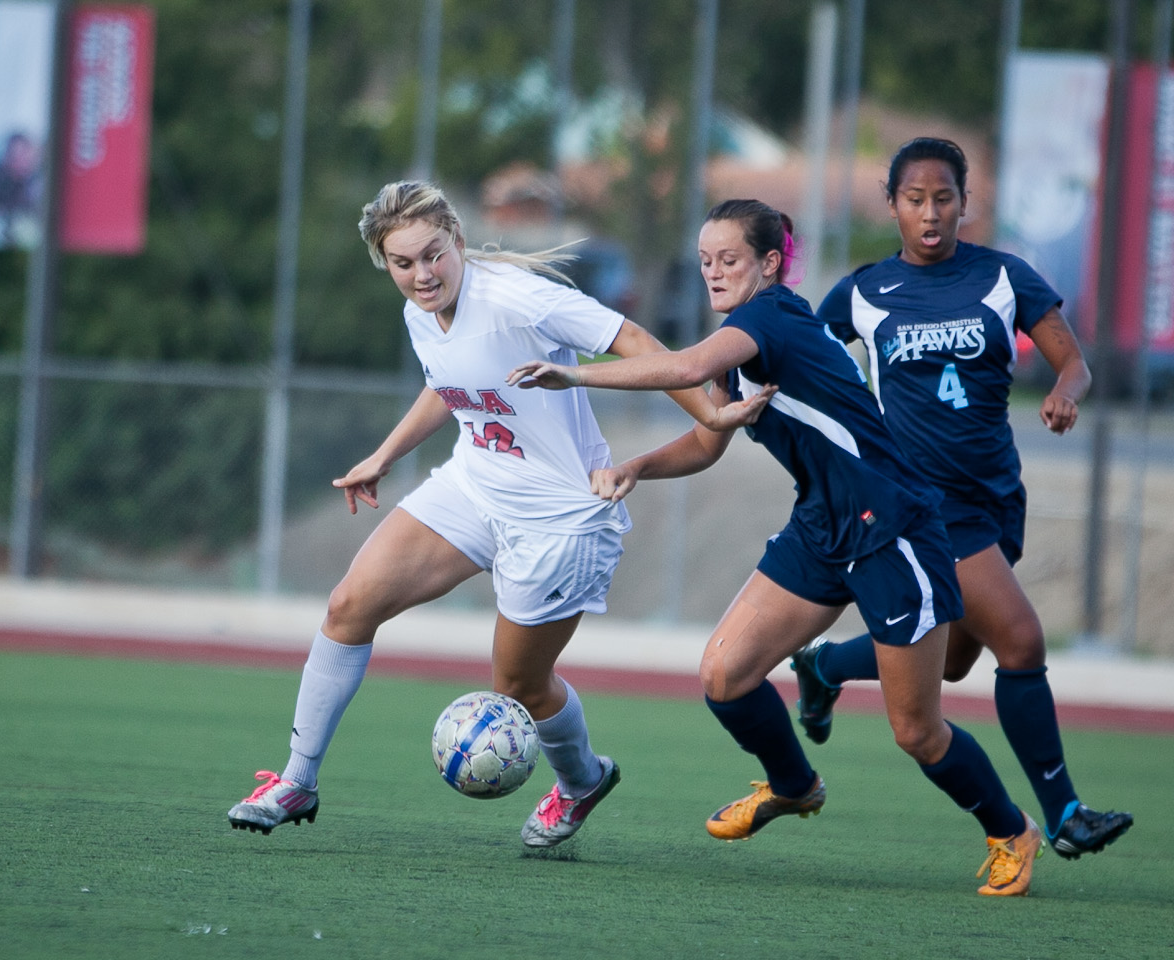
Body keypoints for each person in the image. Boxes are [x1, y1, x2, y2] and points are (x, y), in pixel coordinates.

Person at [508, 198, 1045, 896]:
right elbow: (708, 438)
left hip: (893, 527)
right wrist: (638, 465)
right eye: (704, 261)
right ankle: (794, 785)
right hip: (823, 523)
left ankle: (1011, 829)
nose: (713, 272)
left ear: (768, 264)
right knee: (725, 675)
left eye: (728, 259)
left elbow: (682, 368)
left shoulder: (771, 315)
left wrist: (576, 371)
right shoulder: (739, 344)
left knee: (916, 731)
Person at [227, 180, 769, 848]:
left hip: (563, 519)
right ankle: (296, 780)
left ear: (456, 241)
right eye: (404, 263)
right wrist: (386, 454)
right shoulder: (420, 312)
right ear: (385, 264)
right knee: (347, 607)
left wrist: (710, 413)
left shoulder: (517, 298)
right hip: (476, 488)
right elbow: (448, 381)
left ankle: (582, 781)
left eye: (433, 255)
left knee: (519, 682)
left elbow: (625, 335)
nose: (422, 274)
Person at [788, 137, 1133, 859]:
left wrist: (1066, 394)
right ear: (893, 206)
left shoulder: (1005, 278)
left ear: (965, 202)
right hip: (921, 505)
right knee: (1022, 639)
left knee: (947, 662)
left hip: (996, 498)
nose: (931, 213)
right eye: (915, 200)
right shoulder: (863, 291)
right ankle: (1064, 812)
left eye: (944, 197)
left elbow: (1073, 362)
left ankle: (822, 667)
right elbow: (806, 359)